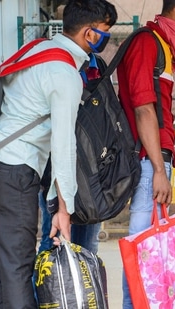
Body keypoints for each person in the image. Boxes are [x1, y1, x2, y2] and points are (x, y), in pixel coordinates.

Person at [0, 0, 117, 307]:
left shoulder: (35, 50)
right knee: (19, 269)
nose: (106, 38)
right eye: (105, 31)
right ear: (90, 33)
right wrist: (64, 208)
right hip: (16, 173)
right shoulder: (65, 74)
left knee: (0, 267)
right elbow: (64, 145)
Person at [116, 0, 175, 307]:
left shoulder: (165, 48)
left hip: (156, 158)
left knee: (152, 246)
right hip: (149, 159)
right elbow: (144, 108)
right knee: (142, 244)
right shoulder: (148, 43)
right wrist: (158, 169)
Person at [38, 50, 114, 254]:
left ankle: (82, 285)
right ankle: (50, 285)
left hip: (92, 169)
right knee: (53, 240)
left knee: (87, 247)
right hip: (56, 168)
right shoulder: (57, 64)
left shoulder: (98, 66)